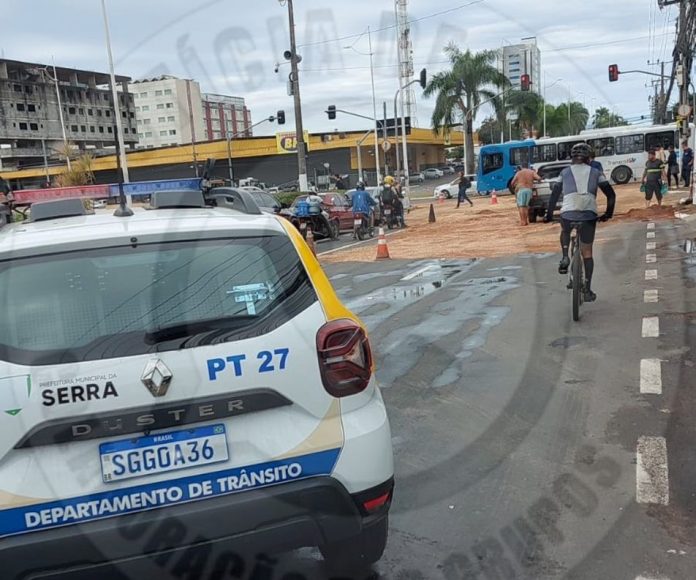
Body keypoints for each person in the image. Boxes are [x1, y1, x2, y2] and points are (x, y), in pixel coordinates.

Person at [544, 143, 616, 303]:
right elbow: (611, 195)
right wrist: (607, 214)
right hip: (589, 215)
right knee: (587, 252)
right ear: (589, 158)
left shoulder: (564, 172)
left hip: (568, 213)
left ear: (572, 158)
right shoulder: (596, 172)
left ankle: (564, 256)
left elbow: (555, 193)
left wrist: (549, 215)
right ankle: (588, 289)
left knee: (565, 230)